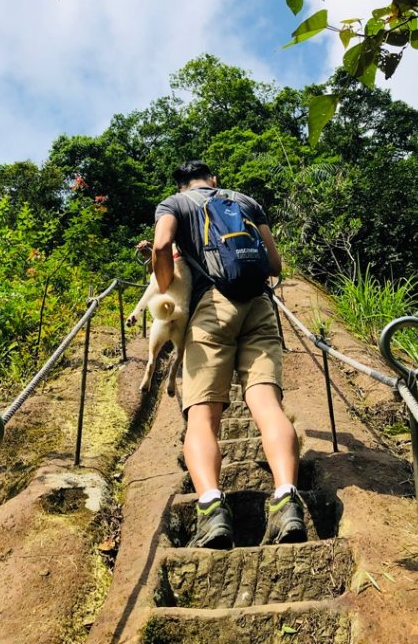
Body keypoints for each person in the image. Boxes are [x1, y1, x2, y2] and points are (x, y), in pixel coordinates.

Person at [152, 159, 306, 549]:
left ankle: (212, 510)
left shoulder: (175, 204)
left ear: (182, 183)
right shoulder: (245, 201)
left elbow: (160, 245)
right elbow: (274, 264)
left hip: (211, 311)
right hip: (259, 306)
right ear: (213, 179)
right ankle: (287, 499)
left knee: (203, 415)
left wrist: (166, 282)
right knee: (267, 405)